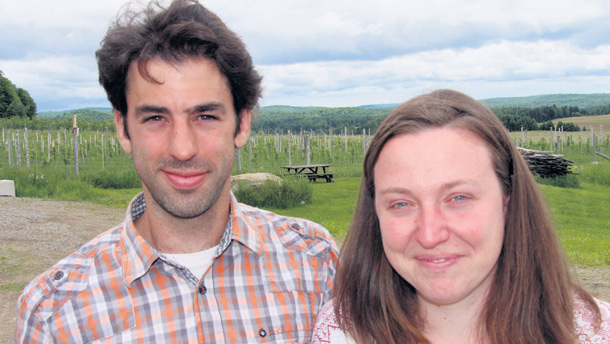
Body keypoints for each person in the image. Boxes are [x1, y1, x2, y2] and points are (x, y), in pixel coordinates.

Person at [16, 1, 338, 342]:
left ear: (242, 124)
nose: (182, 149)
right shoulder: (54, 315)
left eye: (205, 116)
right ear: (123, 129)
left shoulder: (316, 265)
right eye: (156, 118)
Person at [311, 89, 610, 344]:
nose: (429, 235)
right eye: (401, 204)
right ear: (374, 215)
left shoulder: (592, 333)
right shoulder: (342, 332)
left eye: (458, 198)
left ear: (508, 201)